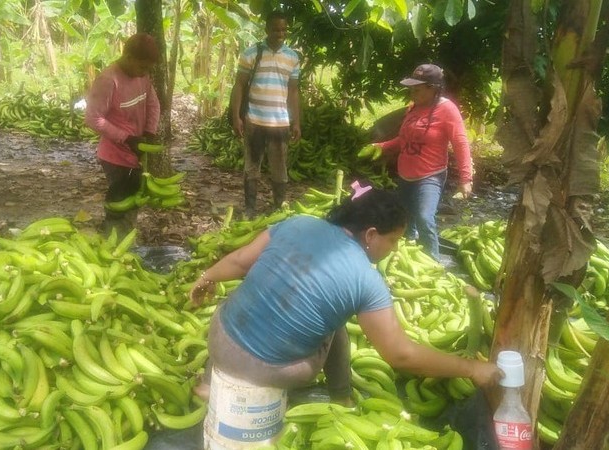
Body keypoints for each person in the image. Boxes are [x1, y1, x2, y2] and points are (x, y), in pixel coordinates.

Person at [188, 184, 501, 406]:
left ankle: (207, 385)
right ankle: (342, 397)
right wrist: (471, 369)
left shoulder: (297, 222)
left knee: (248, 296)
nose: (395, 248)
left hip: (218, 340)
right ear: (371, 235)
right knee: (335, 323)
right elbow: (400, 355)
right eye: (393, 241)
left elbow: (240, 261)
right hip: (269, 370)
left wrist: (207, 277)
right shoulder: (366, 279)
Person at [370, 64, 473, 261]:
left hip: (430, 175)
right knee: (405, 221)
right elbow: (404, 139)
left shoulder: (447, 110)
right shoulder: (413, 108)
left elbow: (461, 144)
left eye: (417, 89)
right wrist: (382, 146)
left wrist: (466, 179)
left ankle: (432, 262)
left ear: (433, 88)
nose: (412, 92)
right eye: (411, 88)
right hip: (405, 174)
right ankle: (409, 259)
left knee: (425, 218)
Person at [85, 33, 161, 234]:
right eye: (142, 66)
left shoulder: (142, 76)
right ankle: (114, 250)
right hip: (115, 157)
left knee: (133, 203)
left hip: (135, 152)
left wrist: (149, 132)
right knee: (119, 205)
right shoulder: (108, 80)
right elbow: (92, 117)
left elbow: (152, 102)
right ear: (128, 57)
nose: (145, 72)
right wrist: (126, 138)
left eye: (148, 68)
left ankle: (125, 244)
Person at [230, 10, 301, 218]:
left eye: (283, 29)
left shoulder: (293, 57)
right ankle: (250, 209)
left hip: (280, 122)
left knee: (279, 168)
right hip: (254, 120)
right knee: (252, 166)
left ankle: (278, 207)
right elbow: (239, 85)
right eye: (276, 29)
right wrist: (236, 117)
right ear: (266, 29)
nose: (280, 33)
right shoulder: (251, 53)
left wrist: (296, 122)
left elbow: (294, 91)